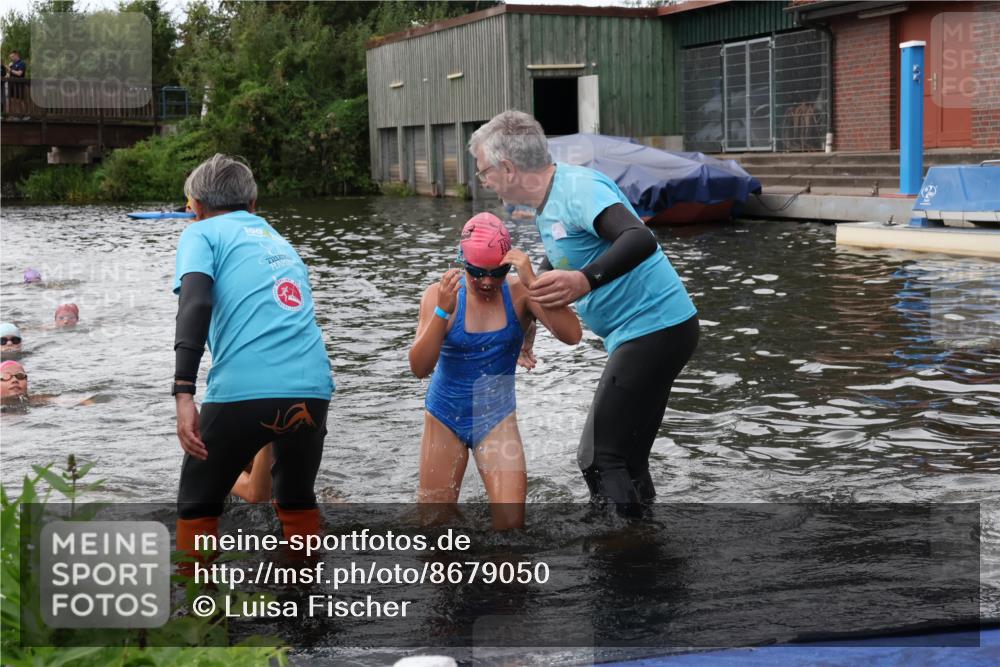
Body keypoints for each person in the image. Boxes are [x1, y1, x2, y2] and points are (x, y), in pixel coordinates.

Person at [468, 110, 699, 516]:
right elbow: (559, 261)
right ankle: (645, 537)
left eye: (483, 170)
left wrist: (585, 281)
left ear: (508, 168)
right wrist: (528, 322)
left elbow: (638, 237)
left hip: (654, 330)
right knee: (627, 459)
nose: (482, 180)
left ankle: (621, 544)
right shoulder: (549, 202)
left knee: (598, 458)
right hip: (657, 332)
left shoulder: (577, 188)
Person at [172, 154, 334, 567]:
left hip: (244, 389)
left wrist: (184, 391)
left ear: (196, 207)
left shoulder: (200, 233)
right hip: (312, 387)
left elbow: (195, 303)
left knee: (197, 502)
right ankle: (304, 595)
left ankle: (198, 600)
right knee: (296, 498)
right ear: (253, 204)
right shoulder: (278, 240)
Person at [409, 213, 582, 529]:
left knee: (511, 530)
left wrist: (533, 282)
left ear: (509, 266)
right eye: (477, 272)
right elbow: (419, 368)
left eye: (497, 272)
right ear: (463, 262)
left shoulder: (520, 294)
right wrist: (442, 312)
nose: (488, 281)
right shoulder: (440, 294)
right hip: (445, 417)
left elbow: (573, 335)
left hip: (497, 419)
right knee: (435, 530)